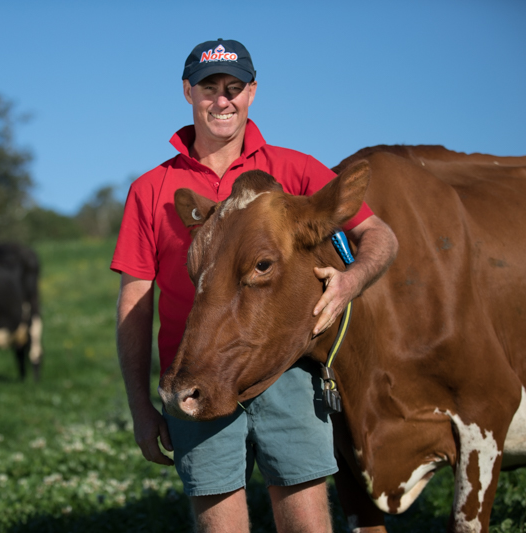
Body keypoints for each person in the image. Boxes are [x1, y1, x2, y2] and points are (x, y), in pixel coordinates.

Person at [111, 38, 398, 533]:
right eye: (208, 88)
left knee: (307, 525)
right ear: (187, 92)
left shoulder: (296, 171)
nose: (221, 100)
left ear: (251, 93)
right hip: (196, 370)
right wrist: (141, 407)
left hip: (288, 371)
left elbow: (379, 235)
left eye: (234, 87)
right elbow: (136, 301)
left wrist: (350, 281)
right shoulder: (151, 190)